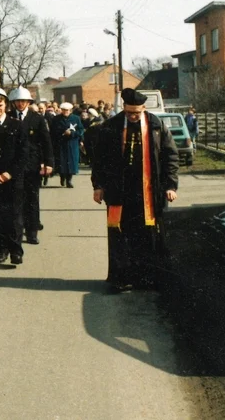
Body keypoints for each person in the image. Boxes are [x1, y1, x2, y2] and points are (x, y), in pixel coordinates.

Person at [92, 88, 179, 292]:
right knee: (119, 234)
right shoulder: (110, 127)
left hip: (149, 192)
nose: (133, 116)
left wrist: (170, 185)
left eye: (136, 113)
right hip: (119, 191)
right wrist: (98, 186)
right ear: (123, 108)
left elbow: (170, 156)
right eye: (129, 112)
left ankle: (147, 279)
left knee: (148, 235)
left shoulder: (156, 126)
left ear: (144, 108)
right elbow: (99, 160)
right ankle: (120, 279)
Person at [0, 88, 27, 265]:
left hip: (12, 178)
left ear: (6, 105)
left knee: (15, 215)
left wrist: (10, 173)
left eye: (0, 105)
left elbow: (23, 153)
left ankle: (16, 249)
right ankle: (1, 249)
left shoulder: (17, 125)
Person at [9, 86, 53, 246]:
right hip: (13, 166)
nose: (21, 104)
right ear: (13, 103)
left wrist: (49, 163)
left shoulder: (37, 118)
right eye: (18, 101)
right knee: (15, 200)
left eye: (24, 101)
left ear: (28, 102)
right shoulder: (8, 118)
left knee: (32, 199)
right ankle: (16, 233)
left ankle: (32, 231)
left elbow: (46, 142)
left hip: (32, 165)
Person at [51, 102, 83, 188]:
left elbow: (80, 130)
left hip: (72, 144)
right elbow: (52, 131)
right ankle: (62, 177)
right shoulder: (56, 119)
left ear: (71, 110)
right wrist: (62, 132)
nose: (66, 112)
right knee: (61, 162)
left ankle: (69, 180)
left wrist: (72, 134)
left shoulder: (76, 119)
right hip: (60, 144)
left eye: (67, 110)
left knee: (71, 163)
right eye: (64, 110)